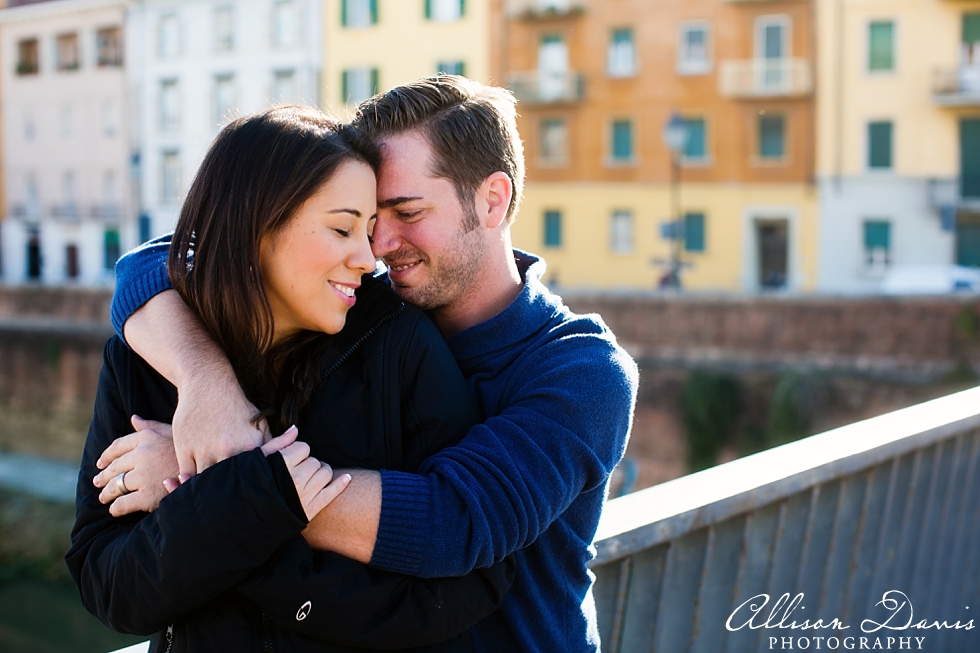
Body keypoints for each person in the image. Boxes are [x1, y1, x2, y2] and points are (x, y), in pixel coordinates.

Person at [103, 76, 639, 652]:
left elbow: (452, 521)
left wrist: (203, 477)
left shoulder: (583, 370)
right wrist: (205, 382)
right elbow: (155, 263)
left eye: (406, 211)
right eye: (362, 219)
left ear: (492, 199)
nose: (378, 245)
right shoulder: (365, 312)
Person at [66, 105, 515, 653]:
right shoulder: (147, 354)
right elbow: (108, 585)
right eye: (343, 228)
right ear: (257, 224)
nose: (368, 256)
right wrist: (240, 501)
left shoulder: (398, 346)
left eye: (369, 229)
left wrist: (226, 503)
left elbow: (467, 590)